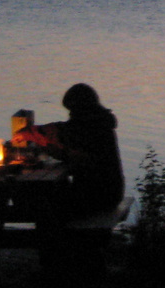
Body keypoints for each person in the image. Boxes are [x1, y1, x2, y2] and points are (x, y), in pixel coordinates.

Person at [52, 83, 125, 219]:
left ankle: (52, 236)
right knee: (56, 190)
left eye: (72, 109)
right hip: (112, 192)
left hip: (101, 196)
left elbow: (79, 157)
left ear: (80, 107)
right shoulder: (101, 121)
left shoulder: (88, 127)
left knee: (49, 202)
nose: (70, 114)